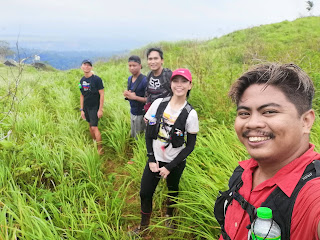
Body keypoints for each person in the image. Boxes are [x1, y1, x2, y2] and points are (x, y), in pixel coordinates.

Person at [214, 63, 320, 240]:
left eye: (269, 111)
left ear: (306, 121)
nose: (252, 123)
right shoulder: (243, 173)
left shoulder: (312, 193)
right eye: (244, 113)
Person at [132, 68, 199, 235]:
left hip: (175, 162)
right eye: (176, 81)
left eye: (184, 81)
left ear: (190, 85)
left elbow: (190, 146)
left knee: (173, 190)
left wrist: (170, 167)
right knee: (145, 193)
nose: (179, 85)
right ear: (171, 83)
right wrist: (151, 158)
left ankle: (170, 217)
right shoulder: (158, 104)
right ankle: (144, 226)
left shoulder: (190, 114)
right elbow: (149, 134)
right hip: (155, 159)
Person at [79, 59, 105, 155]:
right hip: (86, 107)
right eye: (84, 65)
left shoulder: (97, 79)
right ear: (81, 67)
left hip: (95, 107)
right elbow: (82, 95)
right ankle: (95, 143)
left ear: (91, 67)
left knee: (94, 127)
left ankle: (100, 149)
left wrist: (100, 109)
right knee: (90, 126)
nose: (86, 66)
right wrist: (81, 109)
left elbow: (102, 94)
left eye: (88, 65)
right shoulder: (81, 80)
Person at [123, 55, 147, 138]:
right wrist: (127, 95)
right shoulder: (130, 79)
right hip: (132, 112)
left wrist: (135, 97)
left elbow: (149, 99)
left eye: (134, 65)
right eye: (130, 66)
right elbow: (131, 94)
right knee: (134, 136)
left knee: (140, 138)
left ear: (140, 66)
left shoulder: (144, 80)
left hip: (141, 114)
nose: (132, 68)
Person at [144, 47, 172, 113]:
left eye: (156, 58)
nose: (153, 62)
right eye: (150, 59)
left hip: (167, 114)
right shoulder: (149, 75)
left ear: (162, 60)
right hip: (153, 114)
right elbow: (148, 95)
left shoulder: (168, 75)